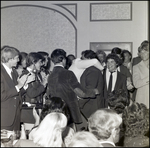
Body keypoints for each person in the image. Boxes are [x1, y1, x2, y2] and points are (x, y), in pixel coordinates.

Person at [46, 48, 99, 131]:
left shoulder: (50, 75)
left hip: (56, 111)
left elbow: (48, 94)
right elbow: (81, 93)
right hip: (69, 111)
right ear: (63, 59)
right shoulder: (68, 73)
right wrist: (93, 92)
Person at [1, 46, 35, 131]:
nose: (18, 60)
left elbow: (17, 93)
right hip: (4, 118)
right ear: (10, 59)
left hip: (15, 118)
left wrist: (25, 84)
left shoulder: (14, 72)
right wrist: (19, 86)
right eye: (16, 58)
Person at [79, 50, 104, 121]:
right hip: (90, 105)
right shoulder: (91, 70)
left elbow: (90, 91)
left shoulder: (92, 71)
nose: (81, 60)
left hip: (91, 107)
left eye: (83, 58)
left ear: (89, 59)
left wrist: (78, 104)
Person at [132, 41, 149, 108]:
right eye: (141, 52)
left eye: (145, 52)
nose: (143, 54)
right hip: (143, 98)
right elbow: (136, 84)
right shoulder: (136, 67)